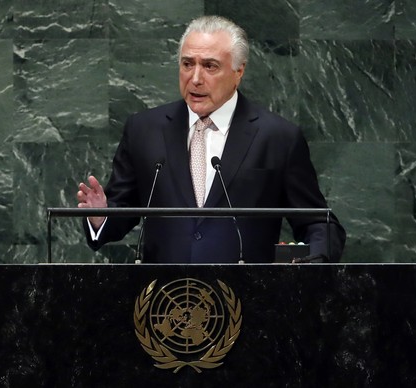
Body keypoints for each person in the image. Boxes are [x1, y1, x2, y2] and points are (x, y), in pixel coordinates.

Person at [77, 15, 346, 263]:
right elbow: (122, 211)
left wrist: (315, 263)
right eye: (187, 64)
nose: (195, 78)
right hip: (164, 300)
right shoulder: (144, 129)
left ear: (238, 72)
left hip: (247, 300)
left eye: (209, 66)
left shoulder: (278, 137)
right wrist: (101, 217)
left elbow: (318, 222)